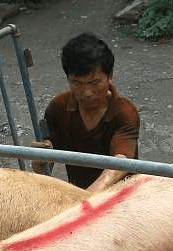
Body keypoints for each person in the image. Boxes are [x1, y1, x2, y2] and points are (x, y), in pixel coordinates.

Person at [31, 32, 139, 192]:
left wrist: (83, 199)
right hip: (80, 192)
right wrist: (39, 161)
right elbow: (47, 163)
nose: (86, 92)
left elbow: (119, 165)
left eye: (94, 82)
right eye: (77, 83)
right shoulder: (58, 107)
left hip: (121, 195)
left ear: (110, 77)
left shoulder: (125, 112)